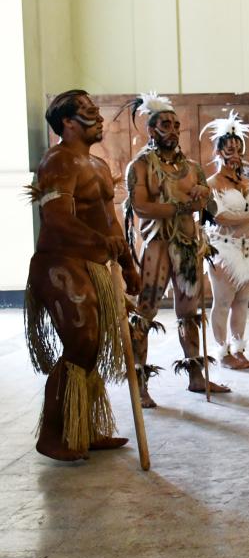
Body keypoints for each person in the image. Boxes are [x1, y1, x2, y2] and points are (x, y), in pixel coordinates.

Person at [24, 90, 141, 461]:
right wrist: (98, 242)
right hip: (60, 263)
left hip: (93, 264)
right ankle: (53, 434)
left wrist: (127, 263)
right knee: (81, 344)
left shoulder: (99, 166)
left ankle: (83, 429)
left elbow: (110, 223)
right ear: (69, 123)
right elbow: (56, 219)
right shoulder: (57, 161)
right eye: (90, 112)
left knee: (89, 349)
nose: (101, 118)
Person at [126, 92, 229, 405]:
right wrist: (180, 205)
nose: (172, 130)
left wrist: (202, 195)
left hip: (186, 245)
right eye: (164, 125)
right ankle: (140, 385)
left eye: (175, 125)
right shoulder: (141, 166)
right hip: (157, 245)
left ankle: (196, 377)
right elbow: (141, 206)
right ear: (151, 130)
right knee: (145, 311)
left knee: (188, 312)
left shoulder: (193, 168)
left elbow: (206, 204)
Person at [203, 112, 249, 369]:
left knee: (242, 302)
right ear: (218, 152)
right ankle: (222, 353)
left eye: (237, 148)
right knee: (222, 302)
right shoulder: (211, 184)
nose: (234, 153)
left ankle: (238, 347)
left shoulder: (248, 180)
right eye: (228, 149)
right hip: (224, 249)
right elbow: (220, 216)